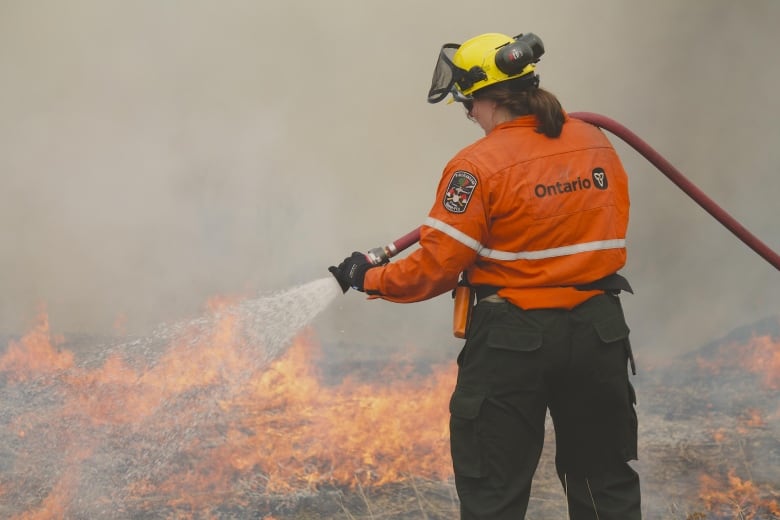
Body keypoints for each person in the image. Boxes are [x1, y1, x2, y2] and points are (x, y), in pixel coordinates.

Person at [329, 31, 641, 519]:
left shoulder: (477, 166)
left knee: (493, 491)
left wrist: (367, 277)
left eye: (467, 105)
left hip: (513, 344)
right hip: (599, 332)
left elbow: (433, 268)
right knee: (604, 485)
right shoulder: (594, 143)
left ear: (487, 100)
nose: (469, 115)